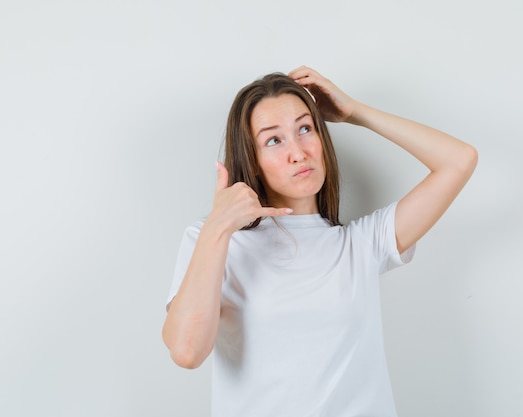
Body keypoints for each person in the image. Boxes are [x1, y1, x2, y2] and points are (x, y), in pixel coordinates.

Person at [162, 66, 478, 416]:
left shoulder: (362, 244)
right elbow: (186, 351)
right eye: (273, 140)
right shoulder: (214, 240)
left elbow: (459, 160)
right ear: (251, 160)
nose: (298, 152)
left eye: (305, 129)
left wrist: (355, 112)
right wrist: (219, 228)